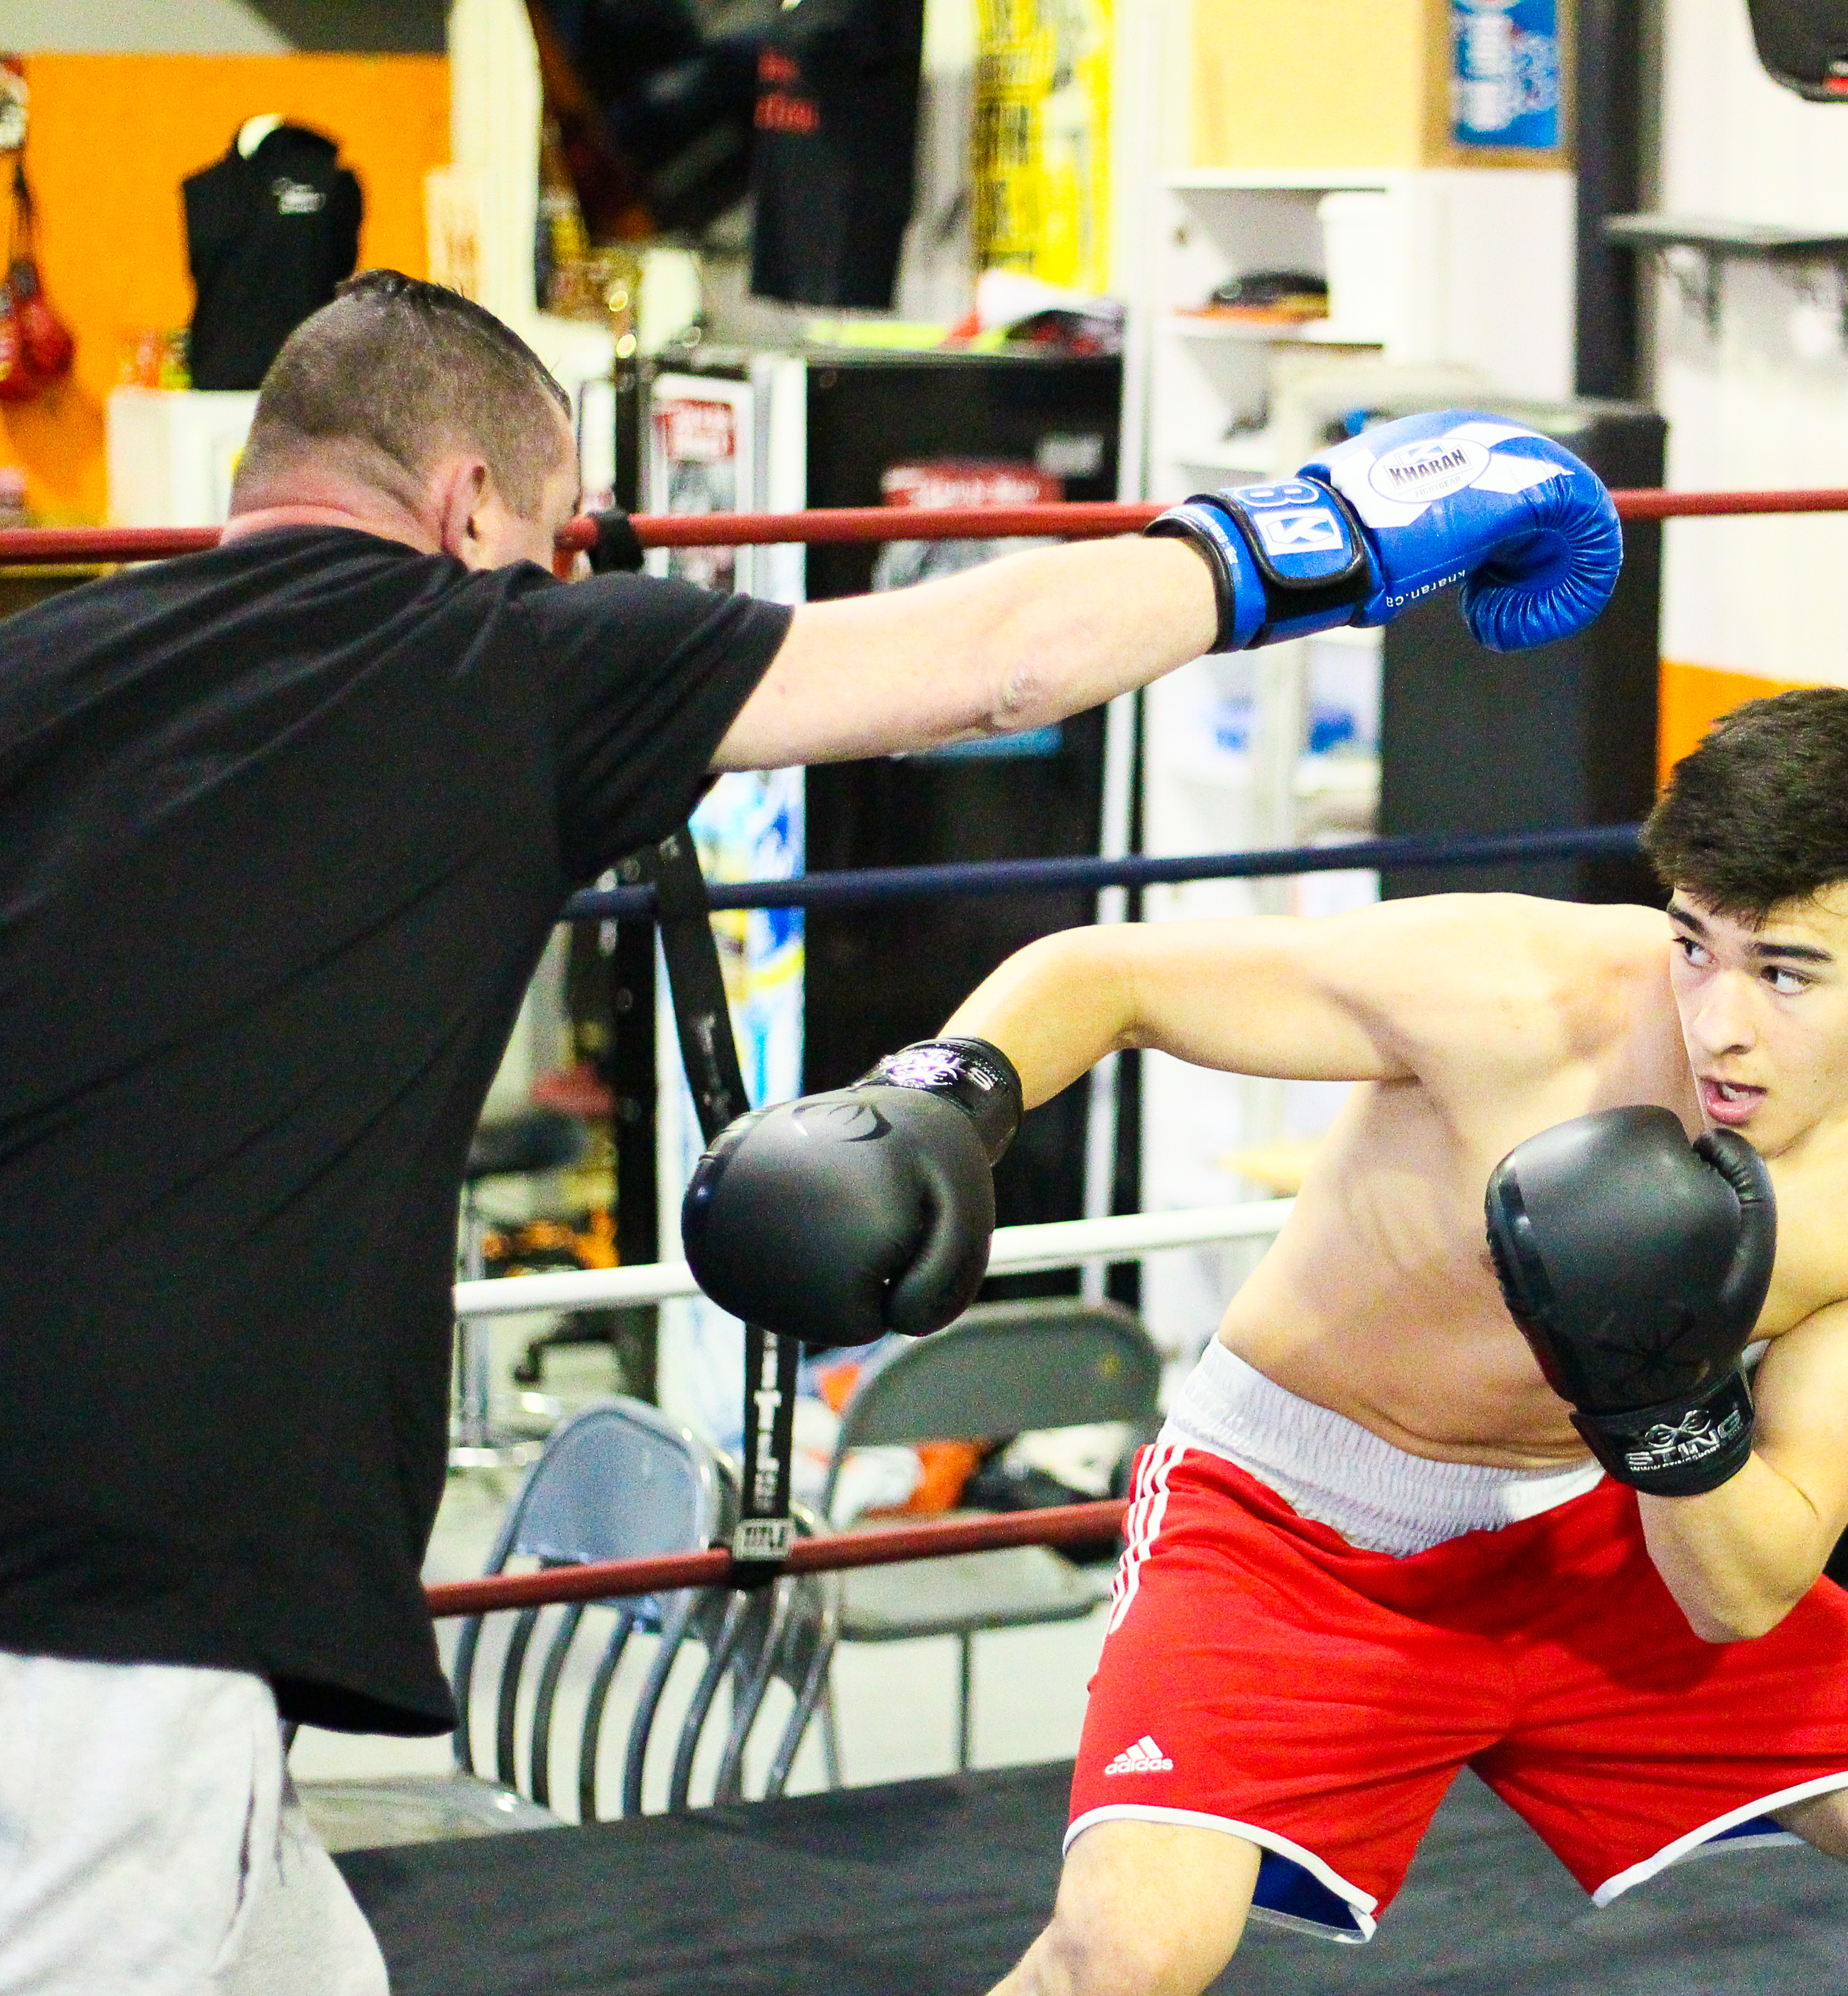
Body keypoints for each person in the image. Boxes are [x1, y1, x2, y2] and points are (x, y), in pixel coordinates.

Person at [0, 268, 1619, 1995]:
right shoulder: (488, 653)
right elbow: (1003, 665)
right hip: (106, 1595)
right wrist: (1338, 530)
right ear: (472, 507)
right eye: (554, 540)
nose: (560, 579)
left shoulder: (37, 664)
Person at [686, 687, 1848, 1995]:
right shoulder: (1515, 993)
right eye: (1694, 943)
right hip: (1285, 1527)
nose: (1719, 1021)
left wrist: (1663, 1397)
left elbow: (1741, 1590)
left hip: (1593, 1539)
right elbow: (1106, 972)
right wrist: (942, 1104)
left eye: (1787, 972)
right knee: (1128, 1951)